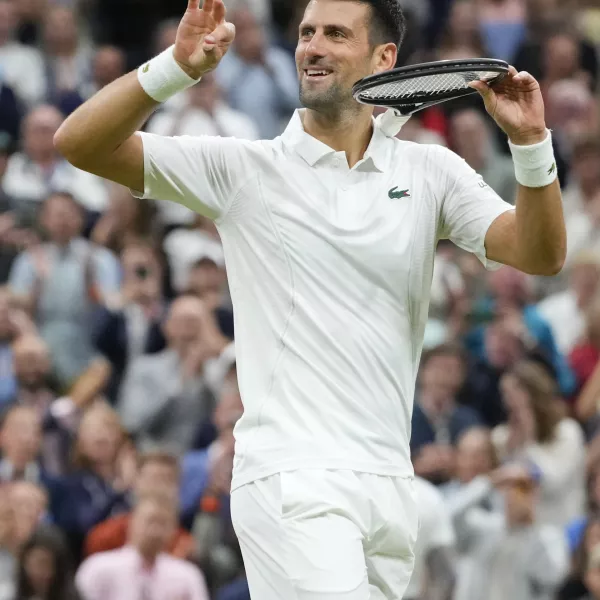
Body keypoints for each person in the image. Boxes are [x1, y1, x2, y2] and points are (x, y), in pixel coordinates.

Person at [53, 0, 567, 596]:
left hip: (389, 488)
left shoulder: (432, 173)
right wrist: (177, 66)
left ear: (385, 58)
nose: (313, 47)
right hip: (292, 480)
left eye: (335, 34)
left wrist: (531, 144)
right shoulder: (244, 169)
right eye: (306, 33)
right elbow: (81, 143)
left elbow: (539, 253)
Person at [75, 495, 209, 600]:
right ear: (132, 522)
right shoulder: (98, 568)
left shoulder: (186, 575)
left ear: (173, 530)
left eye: (163, 523)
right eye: (150, 521)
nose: (155, 530)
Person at [15, 525, 80, 600]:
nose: (36, 571)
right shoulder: (14, 590)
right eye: (32, 564)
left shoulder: (71, 595)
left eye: (43, 564)